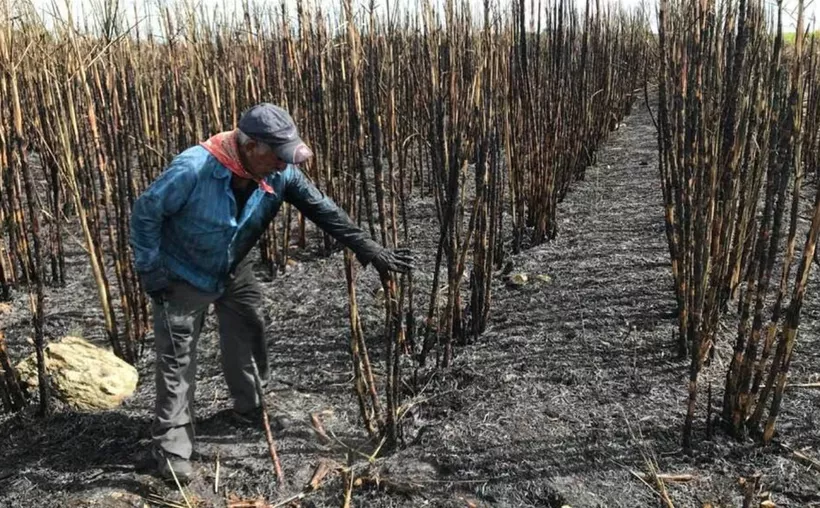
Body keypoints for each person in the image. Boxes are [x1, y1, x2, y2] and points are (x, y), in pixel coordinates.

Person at [129, 103, 413, 483]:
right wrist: (150, 269)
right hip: (182, 273)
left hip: (233, 268)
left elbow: (322, 209)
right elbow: (146, 212)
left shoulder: (281, 173)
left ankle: (250, 409)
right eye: (277, 155)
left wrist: (370, 249)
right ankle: (172, 454)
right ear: (250, 147)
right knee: (177, 364)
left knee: (249, 333)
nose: (283, 164)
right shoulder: (192, 169)